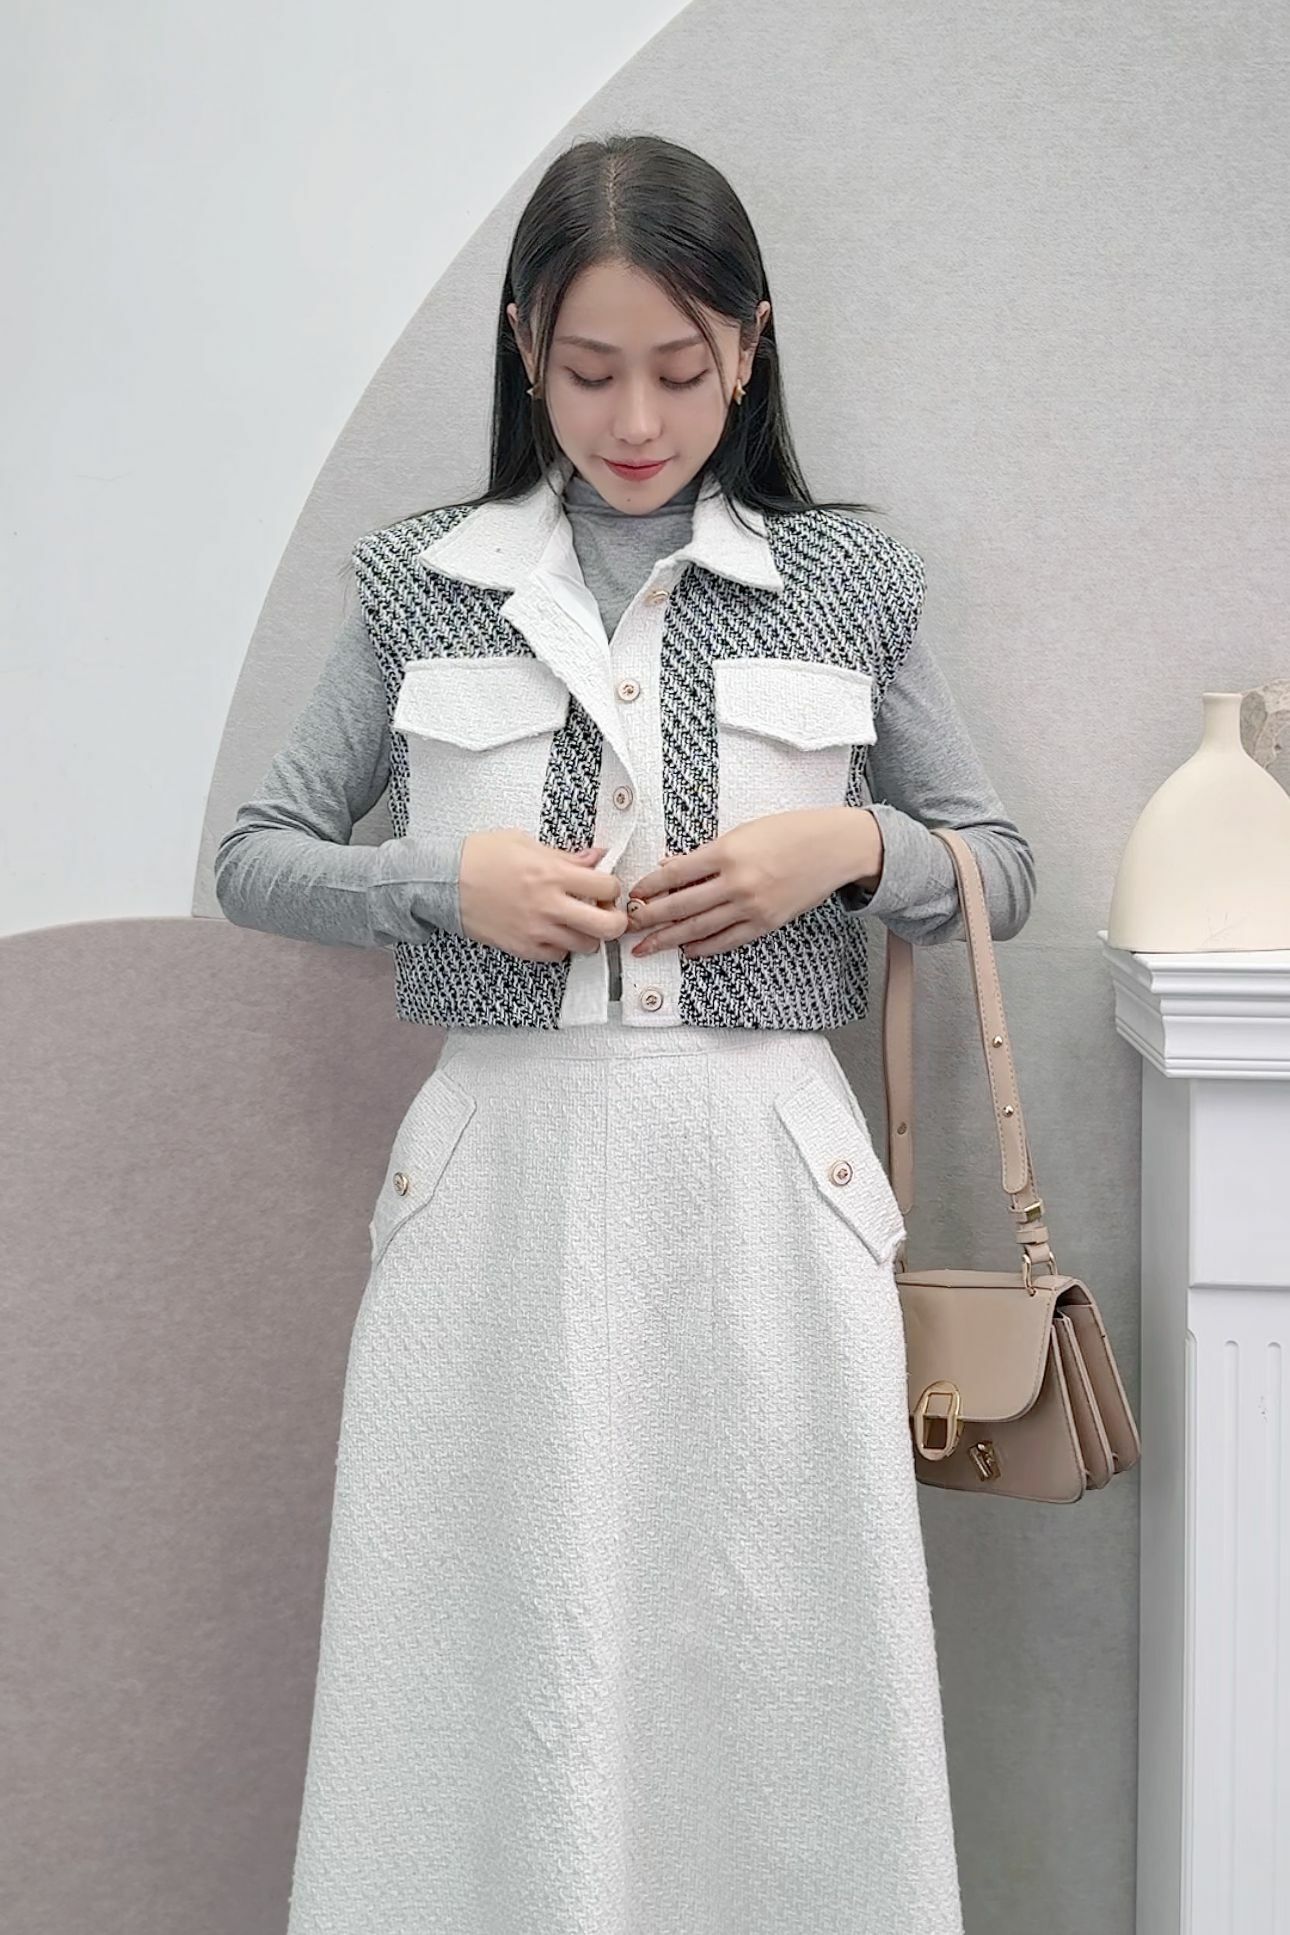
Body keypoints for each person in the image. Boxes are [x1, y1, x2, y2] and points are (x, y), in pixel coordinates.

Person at [216, 132, 1034, 1935]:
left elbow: (997, 866)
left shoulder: (846, 576)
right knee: (487, 1635)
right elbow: (257, 857)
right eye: (588, 372)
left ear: (750, 343)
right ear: (525, 349)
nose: (635, 418)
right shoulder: (420, 577)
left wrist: (848, 848)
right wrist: (446, 884)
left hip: (767, 1186)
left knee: (774, 1644)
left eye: (678, 366)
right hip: (496, 1187)